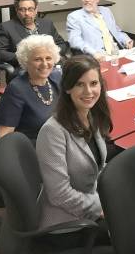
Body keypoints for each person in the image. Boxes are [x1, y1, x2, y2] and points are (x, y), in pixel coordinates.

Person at [36, 55, 112, 232]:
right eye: (79, 84)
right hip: (68, 220)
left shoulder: (90, 115)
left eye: (94, 83)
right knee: (134, 230)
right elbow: (60, 195)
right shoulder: (53, 131)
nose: (88, 92)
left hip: (90, 198)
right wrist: (103, 206)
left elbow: (97, 166)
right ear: (68, 88)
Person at [0, 35, 61, 141]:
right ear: (26, 61)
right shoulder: (16, 89)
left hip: (58, 140)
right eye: (37, 59)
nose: (44, 64)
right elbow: (4, 134)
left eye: (48, 58)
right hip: (33, 148)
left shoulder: (56, 77)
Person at [0, 0, 68, 67]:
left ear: (36, 10)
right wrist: (25, 58)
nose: (27, 13)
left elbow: (61, 44)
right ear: (17, 10)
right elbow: (1, 52)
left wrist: (51, 54)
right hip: (25, 68)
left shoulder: (47, 23)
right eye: (22, 10)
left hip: (51, 65)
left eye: (30, 9)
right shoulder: (6, 27)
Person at [66, 0, 133, 60]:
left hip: (116, 52)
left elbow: (116, 30)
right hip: (97, 56)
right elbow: (75, 41)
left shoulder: (106, 11)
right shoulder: (74, 17)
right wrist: (93, 52)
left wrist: (126, 39)